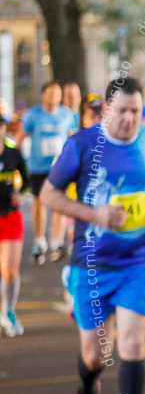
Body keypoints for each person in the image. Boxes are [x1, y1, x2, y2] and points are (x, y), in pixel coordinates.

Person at [41, 76, 145, 394]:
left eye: (137, 111)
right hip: (92, 266)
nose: (131, 119)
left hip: (137, 261)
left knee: (132, 346)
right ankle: (87, 388)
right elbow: (48, 194)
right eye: (123, 111)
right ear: (106, 111)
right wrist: (95, 214)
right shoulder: (82, 145)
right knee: (97, 355)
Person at [21, 80, 75, 263]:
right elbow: (22, 136)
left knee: (58, 202)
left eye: (57, 93)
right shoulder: (32, 115)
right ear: (43, 95)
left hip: (59, 167)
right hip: (37, 166)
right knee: (39, 202)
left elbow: (72, 139)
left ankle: (57, 241)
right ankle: (39, 240)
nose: (54, 97)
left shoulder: (67, 115)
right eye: (51, 93)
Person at [0, 117, 27, 336]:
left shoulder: (12, 153)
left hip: (11, 216)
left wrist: (20, 193)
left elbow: (26, 179)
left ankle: (9, 311)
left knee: (10, 270)